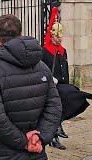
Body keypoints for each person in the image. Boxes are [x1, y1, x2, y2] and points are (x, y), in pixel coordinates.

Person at [0, 14, 62, 160]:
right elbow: (55, 108)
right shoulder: (42, 67)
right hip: (33, 157)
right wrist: (39, 138)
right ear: (20, 34)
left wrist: (27, 142)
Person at [41, 7, 69, 150]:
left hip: (62, 86)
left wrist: (67, 83)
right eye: (57, 36)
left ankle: (59, 125)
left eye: (60, 37)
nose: (59, 39)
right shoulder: (45, 50)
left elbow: (66, 68)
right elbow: (41, 68)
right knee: (52, 111)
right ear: (51, 36)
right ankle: (54, 136)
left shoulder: (63, 50)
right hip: (51, 86)